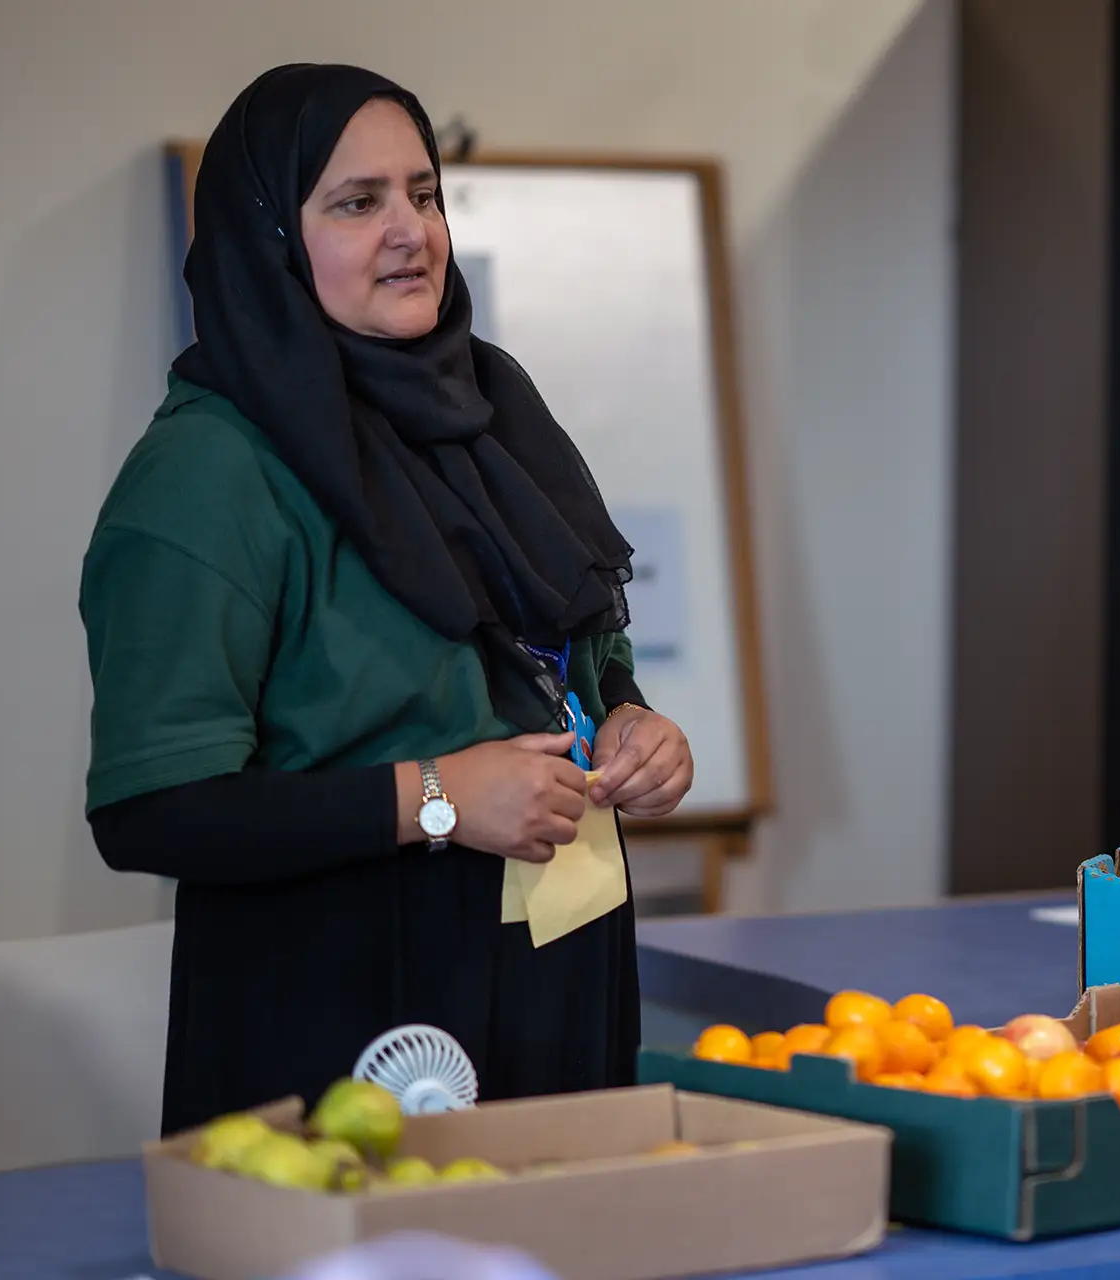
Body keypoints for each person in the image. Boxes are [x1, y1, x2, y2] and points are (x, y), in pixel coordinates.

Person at [78, 63, 693, 1136]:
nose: (411, 231)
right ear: (269, 237)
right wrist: (440, 797)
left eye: (423, 193)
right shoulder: (208, 474)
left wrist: (633, 724)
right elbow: (152, 809)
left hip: (560, 967)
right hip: (344, 1016)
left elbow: (566, 659)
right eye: (358, 203)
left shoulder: (491, 410)